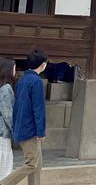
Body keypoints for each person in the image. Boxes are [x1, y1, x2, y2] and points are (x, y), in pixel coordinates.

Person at [1, 49, 47, 185]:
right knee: (32, 164)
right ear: (43, 64)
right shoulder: (36, 82)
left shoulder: (22, 80)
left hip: (22, 127)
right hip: (30, 129)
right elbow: (38, 109)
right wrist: (41, 131)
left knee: (37, 164)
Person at [0, 58, 16, 180]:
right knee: (5, 168)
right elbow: (8, 114)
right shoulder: (6, 88)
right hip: (3, 133)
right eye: (14, 67)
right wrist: (15, 130)